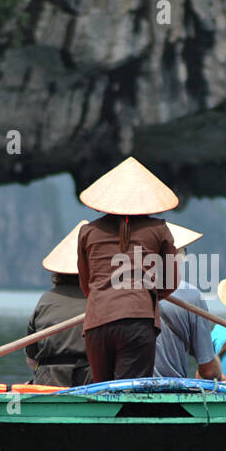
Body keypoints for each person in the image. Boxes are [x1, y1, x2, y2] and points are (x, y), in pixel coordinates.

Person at [77, 156, 179, 382]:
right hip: (138, 321)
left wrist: (106, 299)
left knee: (102, 393)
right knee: (130, 393)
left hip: (97, 320)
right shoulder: (159, 230)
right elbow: (170, 283)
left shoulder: (87, 232)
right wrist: (145, 297)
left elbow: (86, 285)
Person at [24, 220, 92, 387]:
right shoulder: (100, 300)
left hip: (48, 381)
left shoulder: (46, 299)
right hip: (91, 382)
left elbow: (31, 360)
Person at [154, 222, 221, 380]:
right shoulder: (191, 296)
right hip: (171, 391)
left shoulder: (123, 291)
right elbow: (209, 372)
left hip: (124, 390)